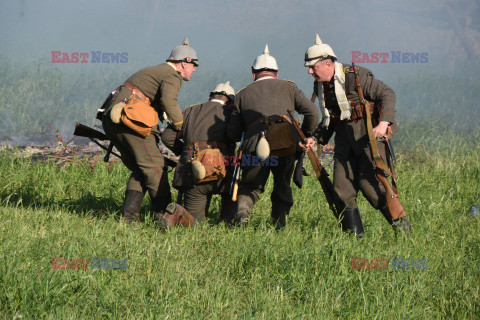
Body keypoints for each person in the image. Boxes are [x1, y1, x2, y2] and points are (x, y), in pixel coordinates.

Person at [304, 34, 411, 237]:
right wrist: (315, 138)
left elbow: (387, 93)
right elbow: (330, 118)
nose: (310, 72)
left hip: (368, 137)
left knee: (373, 188)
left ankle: (405, 233)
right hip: (344, 142)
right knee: (341, 189)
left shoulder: (356, 75)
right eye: (308, 67)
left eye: (313, 67)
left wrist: (383, 123)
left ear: (328, 63)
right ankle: (355, 240)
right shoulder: (320, 84)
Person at [100, 37, 198, 223]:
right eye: (193, 65)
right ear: (184, 63)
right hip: (131, 120)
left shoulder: (156, 71)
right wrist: (181, 128)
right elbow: (169, 101)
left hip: (114, 119)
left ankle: (129, 219)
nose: (194, 70)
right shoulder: (172, 75)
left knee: (141, 169)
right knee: (156, 167)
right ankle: (165, 217)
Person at [227, 45, 318, 229]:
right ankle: (279, 227)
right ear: (276, 73)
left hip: (253, 146)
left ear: (254, 73)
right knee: (282, 186)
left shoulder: (242, 94)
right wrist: (306, 135)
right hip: (285, 145)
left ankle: (243, 216)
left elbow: (233, 133)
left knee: (250, 186)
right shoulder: (289, 87)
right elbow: (313, 114)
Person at [161, 81, 237, 225]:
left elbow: (167, 137)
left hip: (193, 169)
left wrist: (185, 152)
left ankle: (177, 215)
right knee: (233, 195)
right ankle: (228, 225)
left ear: (210, 97)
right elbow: (234, 135)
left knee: (193, 222)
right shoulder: (231, 113)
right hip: (223, 170)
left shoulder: (190, 111)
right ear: (230, 101)